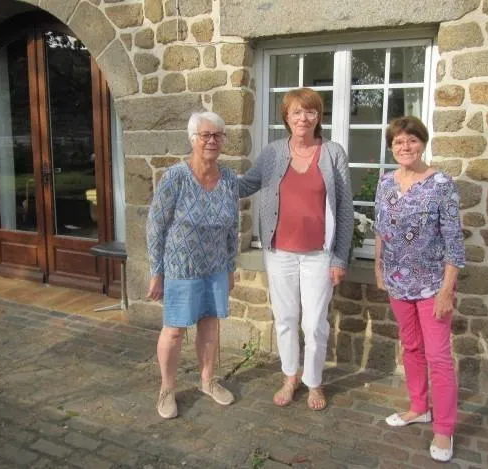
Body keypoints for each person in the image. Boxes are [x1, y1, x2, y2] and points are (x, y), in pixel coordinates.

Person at [239, 88, 353, 411]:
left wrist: (340, 257)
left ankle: (314, 381)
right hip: (280, 253)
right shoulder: (273, 153)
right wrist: (209, 177)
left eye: (310, 112)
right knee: (286, 318)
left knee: (314, 323)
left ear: (318, 117)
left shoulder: (333, 153)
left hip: (320, 254)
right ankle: (290, 376)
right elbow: (246, 184)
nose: (303, 118)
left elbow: (345, 209)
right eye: (296, 112)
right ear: (286, 118)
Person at [374, 116, 465, 462]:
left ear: (422, 143)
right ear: (391, 147)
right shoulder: (385, 183)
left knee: (438, 357)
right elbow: (381, 229)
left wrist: (447, 290)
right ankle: (418, 407)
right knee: (411, 346)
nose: (405, 147)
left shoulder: (442, 183)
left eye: (412, 140)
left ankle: (444, 428)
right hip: (398, 282)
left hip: (432, 285)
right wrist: (378, 267)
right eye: (398, 142)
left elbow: (454, 241)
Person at [146, 111, 239, 419]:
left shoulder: (229, 179)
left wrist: (230, 267)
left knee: (210, 325)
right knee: (174, 331)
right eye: (205, 135)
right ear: (193, 139)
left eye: (218, 135)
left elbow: (233, 227)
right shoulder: (175, 177)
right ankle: (167, 389)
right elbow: (155, 226)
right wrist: (156, 271)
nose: (212, 141)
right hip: (180, 267)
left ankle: (208, 381)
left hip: (215, 267)